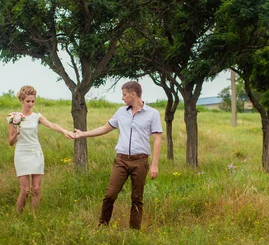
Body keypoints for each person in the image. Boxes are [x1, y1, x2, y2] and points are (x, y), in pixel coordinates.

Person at [74, 81, 162, 230]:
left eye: (124, 94)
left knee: (137, 198)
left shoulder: (152, 114)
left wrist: (154, 165)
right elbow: (105, 128)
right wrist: (83, 134)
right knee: (110, 195)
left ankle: (134, 231)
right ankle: (102, 227)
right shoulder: (121, 112)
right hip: (121, 160)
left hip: (140, 161)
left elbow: (157, 139)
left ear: (133, 94)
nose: (122, 98)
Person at [9, 85, 74, 213]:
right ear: (22, 101)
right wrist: (17, 132)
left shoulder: (37, 116)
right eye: (28, 101)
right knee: (25, 190)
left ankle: (34, 217)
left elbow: (51, 124)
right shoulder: (13, 118)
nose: (30, 104)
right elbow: (10, 142)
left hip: (36, 152)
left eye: (33, 101)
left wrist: (63, 130)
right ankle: (17, 216)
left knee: (36, 189)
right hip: (22, 153)